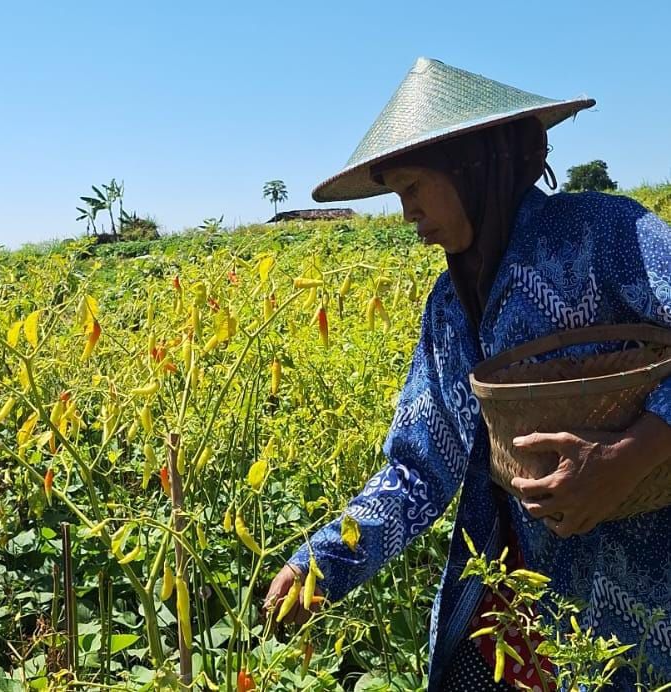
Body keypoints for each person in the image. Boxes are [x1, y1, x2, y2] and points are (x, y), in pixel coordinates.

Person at [265, 58, 671, 690]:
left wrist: (630, 453)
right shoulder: (451, 305)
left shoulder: (606, 234)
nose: (406, 215)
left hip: (645, 596)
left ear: (471, 164)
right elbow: (418, 469)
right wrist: (321, 563)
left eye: (412, 188)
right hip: (519, 605)